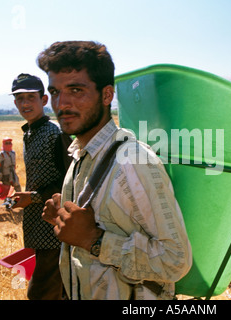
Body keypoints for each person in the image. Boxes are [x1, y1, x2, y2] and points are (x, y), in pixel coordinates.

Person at [39, 40, 192, 300]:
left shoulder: (132, 160)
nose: (61, 103)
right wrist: (63, 220)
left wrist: (94, 239)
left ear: (107, 95)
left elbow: (175, 260)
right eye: (55, 92)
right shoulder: (80, 155)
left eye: (76, 90)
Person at [9, 73, 72, 300]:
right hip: (38, 226)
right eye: (19, 99)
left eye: (30, 98)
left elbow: (70, 179)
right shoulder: (31, 132)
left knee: (40, 293)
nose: (25, 104)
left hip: (54, 229)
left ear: (44, 100)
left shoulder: (54, 134)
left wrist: (33, 197)